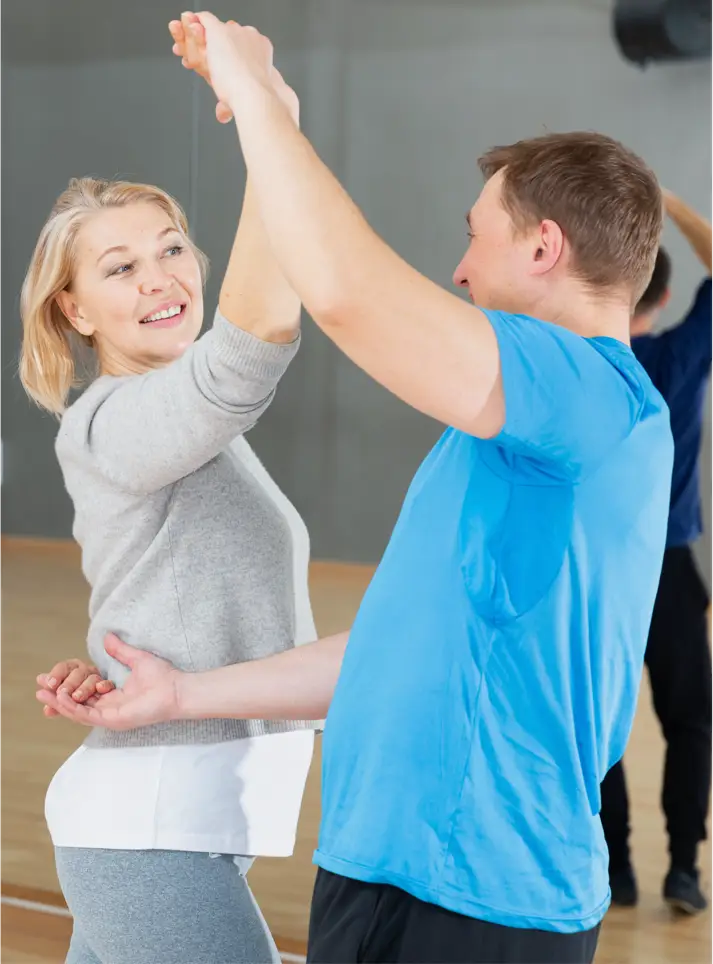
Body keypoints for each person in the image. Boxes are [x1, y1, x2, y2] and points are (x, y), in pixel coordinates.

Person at [40, 13, 674, 964]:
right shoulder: (483, 444)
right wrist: (181, 695)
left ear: (542, 249)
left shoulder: (587, 398)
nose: (458, 269)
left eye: (475, 239)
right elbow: (388, 647)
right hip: (367, 870)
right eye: (120, 265)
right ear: (72, 307)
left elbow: (336, 294)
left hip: (476, 897)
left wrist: (261, 100)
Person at [24, 15, 320, 964]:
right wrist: (271, 116)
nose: (163, 278)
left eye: (171, 247)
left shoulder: (190, 434)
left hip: (187, 821)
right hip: (147, 828)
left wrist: (276, 115)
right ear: (73, 310)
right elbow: (247, 352)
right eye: (119, 267)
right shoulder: (106, 423)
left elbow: (159, 589)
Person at [600, 193, 712, 914]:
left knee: (596, 722)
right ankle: (682, 871)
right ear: (664, 294)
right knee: (692, 720)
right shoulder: (674, 354)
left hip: (599, 571)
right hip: (667, 570)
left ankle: (612, 872)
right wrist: (664, 203)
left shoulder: (584, 362)